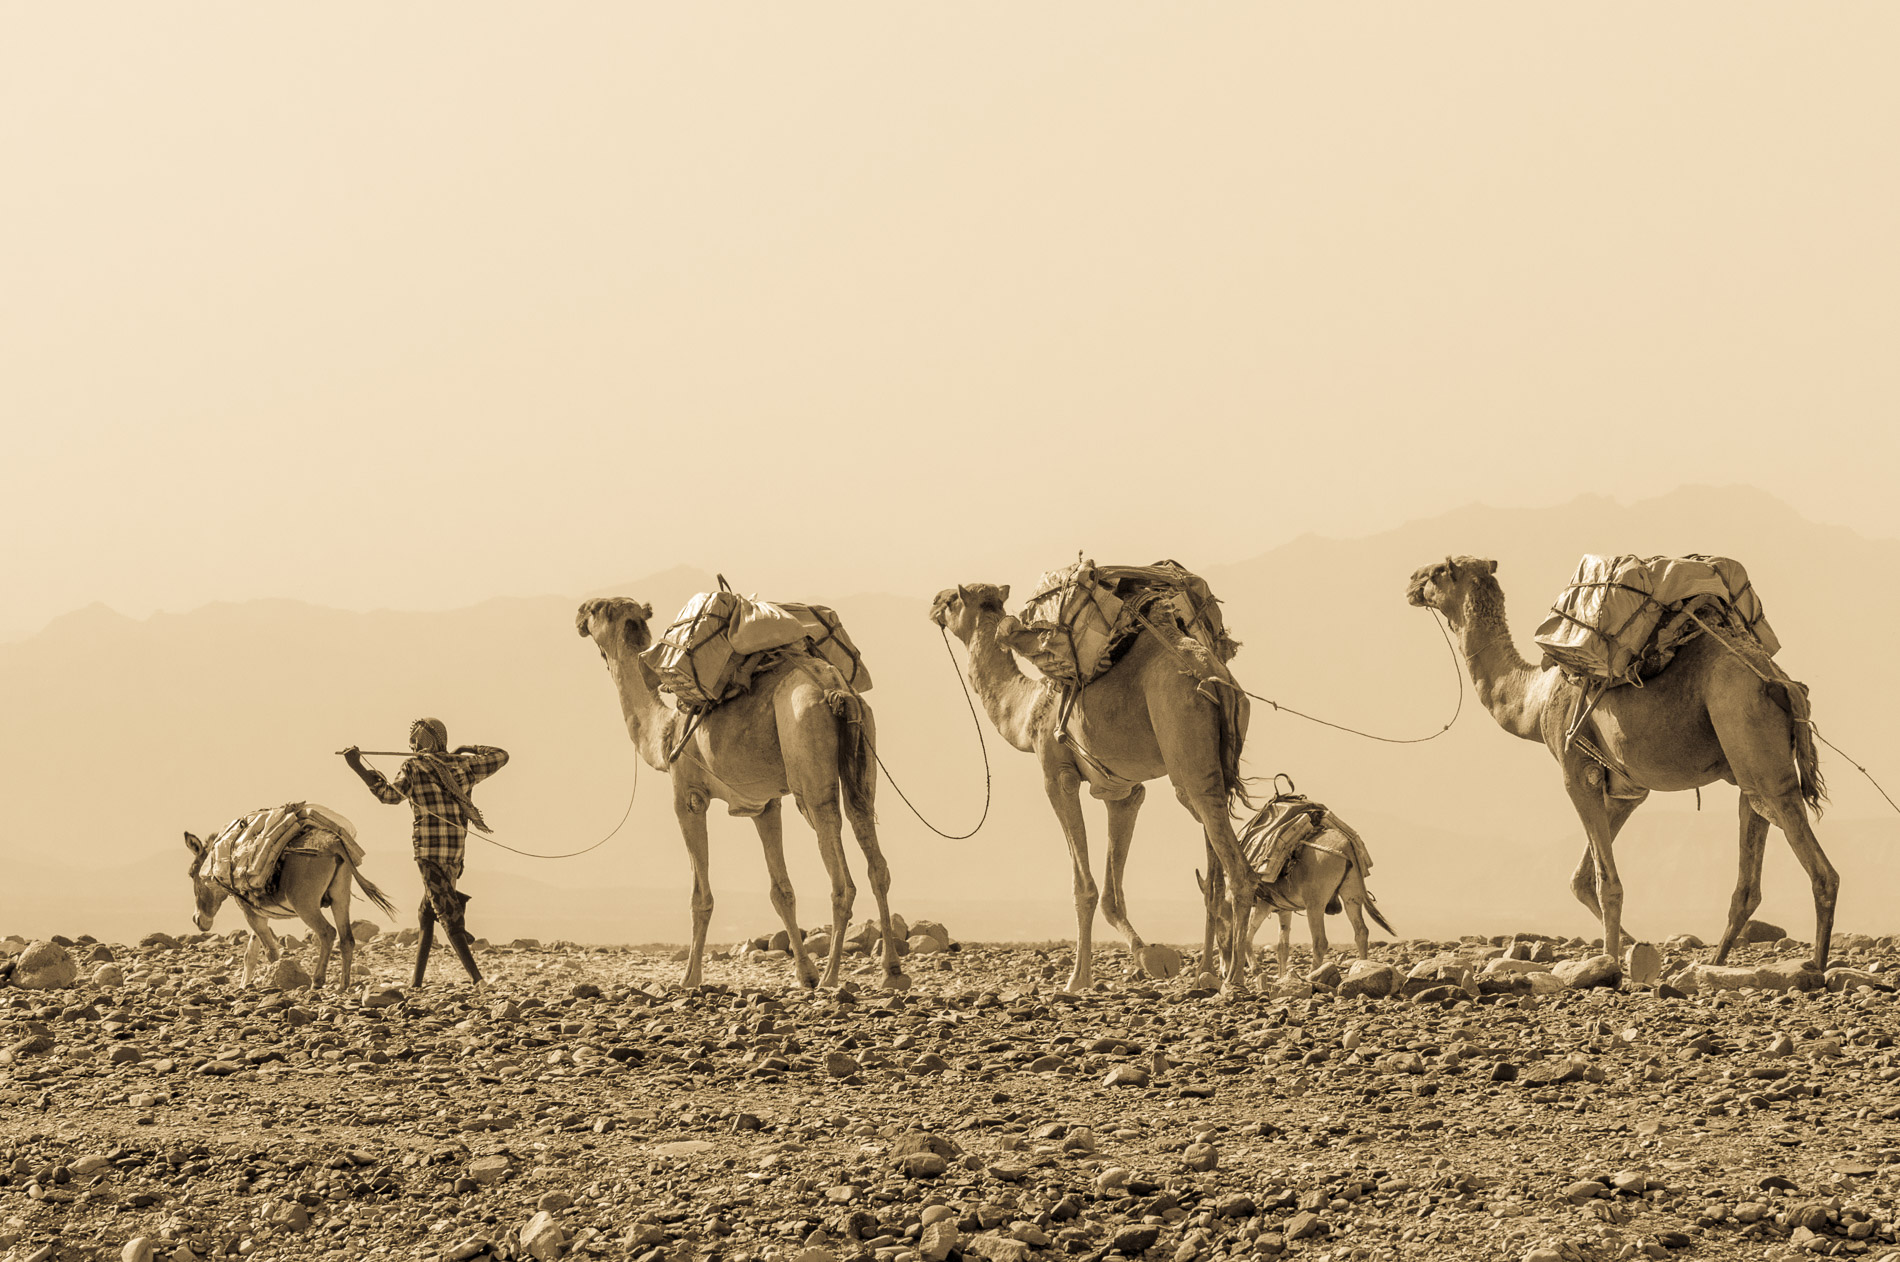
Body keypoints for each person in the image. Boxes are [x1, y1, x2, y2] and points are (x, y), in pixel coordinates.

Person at [342, 718, 507, 986]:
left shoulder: (414, 766)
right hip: (456, 852)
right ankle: (416, 983)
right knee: (426, 913)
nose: (412, 745)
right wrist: (466, 747)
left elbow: (389, 795)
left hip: (428, 851)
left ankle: (478, 981)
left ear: (421, 742)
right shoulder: (465, 765)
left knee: (445, 915)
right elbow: (501, 755)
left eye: (415, 740)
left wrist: (357, 767)